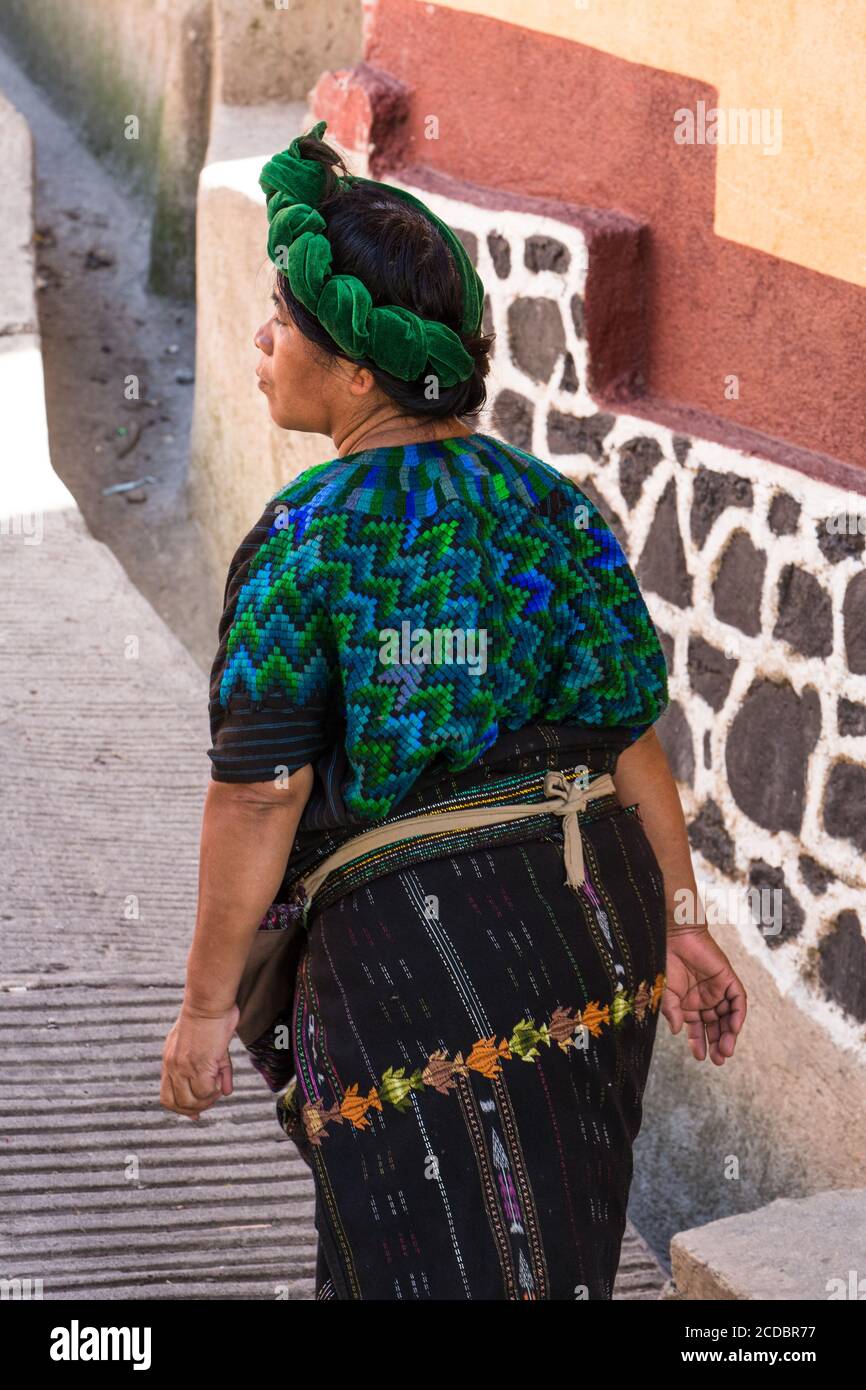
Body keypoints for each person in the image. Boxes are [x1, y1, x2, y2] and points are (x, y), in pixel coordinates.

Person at [161, 121, 747, 1300]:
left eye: (284, 319)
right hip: (591, 929)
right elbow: (630, 736)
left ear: (361, 371)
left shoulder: (308, 538)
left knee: (406, 1265)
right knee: (552, 1255)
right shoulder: (553, 508)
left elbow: (261, 790)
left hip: (411, 963)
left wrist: (204, 1006)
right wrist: (679, 920)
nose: (261, 339)